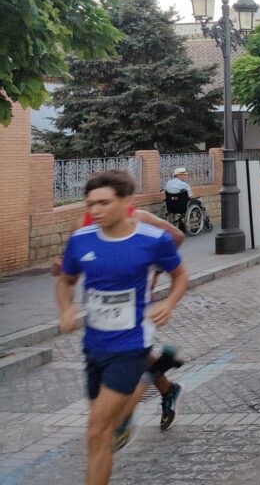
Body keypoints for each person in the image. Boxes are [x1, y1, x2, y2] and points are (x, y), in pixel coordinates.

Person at [56, 170, 189, 484]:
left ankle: (150, 374)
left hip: (131, 344)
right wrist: (65, 308)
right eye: (90, 204)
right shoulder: (81, 237)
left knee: (97, 429)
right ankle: (156, 373)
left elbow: (180, 273)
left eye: (103, 203)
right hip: (94, 346)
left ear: (125, 201)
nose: (95, 210)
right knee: (101, 435)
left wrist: (166, 302)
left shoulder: (150, 236)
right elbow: (65, 281)